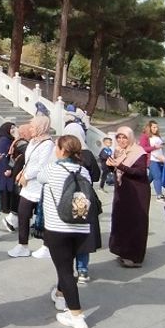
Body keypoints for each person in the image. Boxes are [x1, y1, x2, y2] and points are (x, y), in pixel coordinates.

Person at [40, 135, 91, 328]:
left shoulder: (53, 169)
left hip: (58, 228)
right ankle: (61, 295)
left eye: (56, 148)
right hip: (81, 227)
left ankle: (76, 315)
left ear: (62, 150)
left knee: (65, 271)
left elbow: (39, 177)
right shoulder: (83, 170)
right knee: (67, 266)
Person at [8, 115, 54, 258]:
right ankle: (23, 245)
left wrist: (26, 176)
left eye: (33, 126)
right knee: (23, 214)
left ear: (41, 127)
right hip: (27, 186)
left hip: (39, 185)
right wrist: (22, 172)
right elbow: (28, 162)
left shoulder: (48, 144)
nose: (30, 129)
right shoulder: (33, 142)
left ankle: (47, 246)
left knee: (44, 217)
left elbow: (42, 165)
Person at [63, 122, 101, 284]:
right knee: (84, 234)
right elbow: (96, 176)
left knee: (68, 234)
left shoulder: (62, 155)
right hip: (85, 198)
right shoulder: (88, 154)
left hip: (65, 199)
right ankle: (83, 269)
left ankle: (67, 270)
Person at [107, 126, 150, 268]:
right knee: (121, 221)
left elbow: (140, 173)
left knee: (135, 222)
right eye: (118, 137)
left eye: (124, 137)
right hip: (123, 191)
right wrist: (110, 166)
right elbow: (116, 170)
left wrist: (121, 166)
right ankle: (122, 251)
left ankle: (135, 257)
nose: (121, 140)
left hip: (137, 193)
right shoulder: (119, 151)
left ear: (130, 138)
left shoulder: (139, 153)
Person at [2, 123, 32, 233]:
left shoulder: (18, 141)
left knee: (20, 197)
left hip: (18, 171)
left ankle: (13, 220)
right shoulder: (22, 143)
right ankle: (11, 220)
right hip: (20, 172)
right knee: (20, 197)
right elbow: (29, 154)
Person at [139, 120, 165, 202]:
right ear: (149, 127)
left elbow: (159, 148)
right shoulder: (145, 136)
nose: (156, 129)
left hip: (159, 159)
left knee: (151, 177)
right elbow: (142, 148)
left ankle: (139, 189)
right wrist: (155, 147)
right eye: (154, 127)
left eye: (157, 127)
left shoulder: (157, 136)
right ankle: (159, 196)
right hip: (151, 159)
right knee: (158, 176)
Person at [0, 122, 17, 223]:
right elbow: (4, 155)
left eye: (14, 127)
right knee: (5, 185)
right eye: (11, 128)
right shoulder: (4, 140)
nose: (13, 130)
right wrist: (7, 168)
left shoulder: (9, 139)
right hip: (5, 166)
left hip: (7, 166)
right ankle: (5, 207)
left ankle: (6, 207)